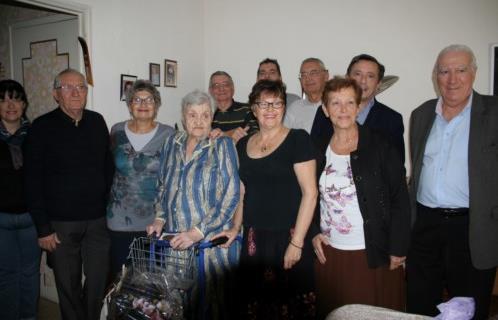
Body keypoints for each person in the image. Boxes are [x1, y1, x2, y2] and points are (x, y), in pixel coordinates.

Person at [407, 44, 498, 320]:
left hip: (472, 229)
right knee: (420, 305)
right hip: (425, 227)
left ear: (474, 73)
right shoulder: (421, 114)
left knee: (468, 309)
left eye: (460, 70)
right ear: (436, 76)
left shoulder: (494, 113)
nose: (452, 79)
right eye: (444, 71)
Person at [311, 78, 410, 319]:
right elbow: (309, 195)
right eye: (335, 103)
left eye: (349, 103)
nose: (343, 110)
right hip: (331, 252)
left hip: (374, 253)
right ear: (325, 109)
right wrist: (314, 230)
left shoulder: (381, 145)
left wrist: (398, 247)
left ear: (358, 107)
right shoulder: (316, 146)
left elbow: (400, 198)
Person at [24, 68, 113, 320]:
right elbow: (32, 181)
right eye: (68, 87)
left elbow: (107, 167)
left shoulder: (97, 121)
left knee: (98, 281)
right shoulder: (41, 127)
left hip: (97, 221)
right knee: (68, 286)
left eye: (81, 87)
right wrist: (43, 227)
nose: (76, 92)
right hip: (60, 225)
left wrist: (107, 205)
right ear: (55, 94)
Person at [147, 90, 240, 320]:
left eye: (205, 115)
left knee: (212, 306)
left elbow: (231, 195)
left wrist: (197, 232)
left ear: (212, 118)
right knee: (178, 305)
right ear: (183, 116)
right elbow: (162, 184)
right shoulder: (172, 142)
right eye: (192, 115)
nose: (199, 121)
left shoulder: (222, 145)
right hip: (176, 241)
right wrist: (159, 217)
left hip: (210, 246)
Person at [236, 80, 317, 318]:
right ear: (254, 108)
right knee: (257, 305)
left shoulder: (298, 140)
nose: (271, 109)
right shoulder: (242, 144)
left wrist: (298, 242)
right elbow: (242, 192)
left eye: (277, 103)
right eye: (264, 104)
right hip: (254, 239)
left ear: (284, 107)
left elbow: (310, 193)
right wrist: (234, 228)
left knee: (291, 306)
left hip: (289, 236)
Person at [107, 80, 174, 277]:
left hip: (155, 221)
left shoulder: (168, 134)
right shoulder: (116, 130)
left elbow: (173, 175)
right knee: (121, 278)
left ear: (157, 105)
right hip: (119, 220)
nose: (143, 104)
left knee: (154, 281)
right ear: (129, 105)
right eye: (137, 99)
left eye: (149, 100)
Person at [311, 54, 405, 163]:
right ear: (347, 78)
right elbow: (312, 157)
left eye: (370, 76)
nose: (363, 81)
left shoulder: (392, 119)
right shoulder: (325, 112)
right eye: (357, 74)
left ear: (379, 83)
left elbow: (396, 167)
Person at [0, 80, 40, 320]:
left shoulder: (36, 135)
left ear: (24, 104)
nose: (10, 105)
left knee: (30, 274)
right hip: (1, 221)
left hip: (31, 219)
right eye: (3, 99)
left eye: (15, 98)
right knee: (6, 275)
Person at [209, 71, 258, 143]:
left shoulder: (248, 110)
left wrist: (221, 135)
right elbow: (202, 139)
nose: (221, 89)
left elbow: (256, 135)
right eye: (216, 85)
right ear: (210, 90)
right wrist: (229, 134)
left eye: (225, 84)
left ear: (232, 88)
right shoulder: (206, 113)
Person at [284, 57, 329, 133]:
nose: (308, 78)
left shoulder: (336, 105)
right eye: (303, 75)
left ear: (326, 76)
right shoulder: (294, 108)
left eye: (313, 73)